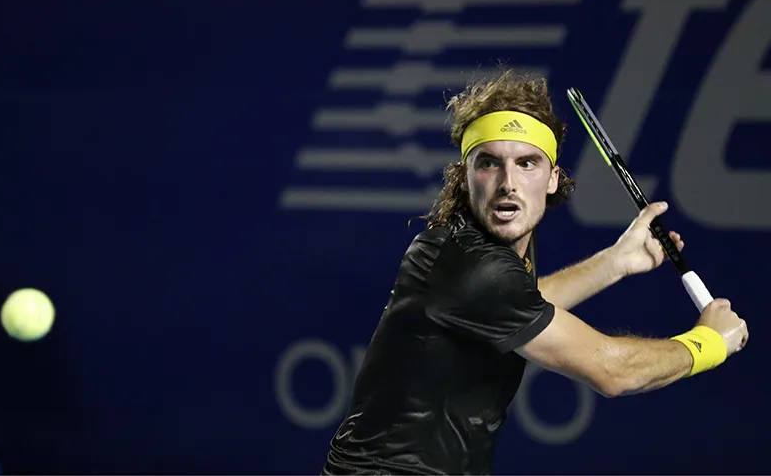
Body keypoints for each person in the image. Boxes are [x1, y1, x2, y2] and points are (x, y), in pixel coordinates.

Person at [321, 68, 749, 475]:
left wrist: (615, 262)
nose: (508, 182)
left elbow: (521, 302)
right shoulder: (473, 266)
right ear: (464, 177)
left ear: (551, 178)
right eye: (489, 162)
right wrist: (709, 341)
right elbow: (613, 372)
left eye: (527, 163)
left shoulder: (493, 255)